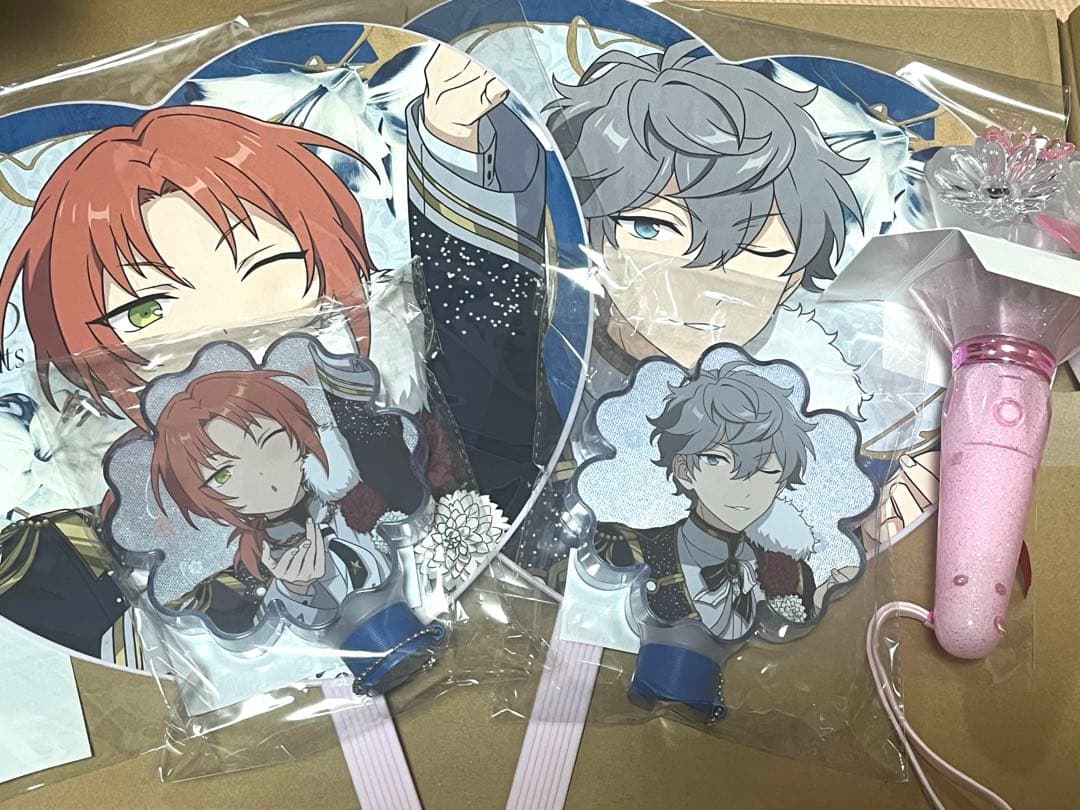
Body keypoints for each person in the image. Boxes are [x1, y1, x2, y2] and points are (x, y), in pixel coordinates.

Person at [0, 44, 545, 660]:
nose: (219, 332)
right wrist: (288, 588)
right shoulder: (134, 495)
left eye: (265, 264)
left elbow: (479, 386)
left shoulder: (380, 398)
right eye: (146, 312)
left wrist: (454, 147)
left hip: (454, 584)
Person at [594, 362, 821, 639]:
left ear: (782, 483)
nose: (744, 486)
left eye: (766, 470)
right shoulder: (624, 548)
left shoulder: (796, 576)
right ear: (684, 469)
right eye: (718, 460)